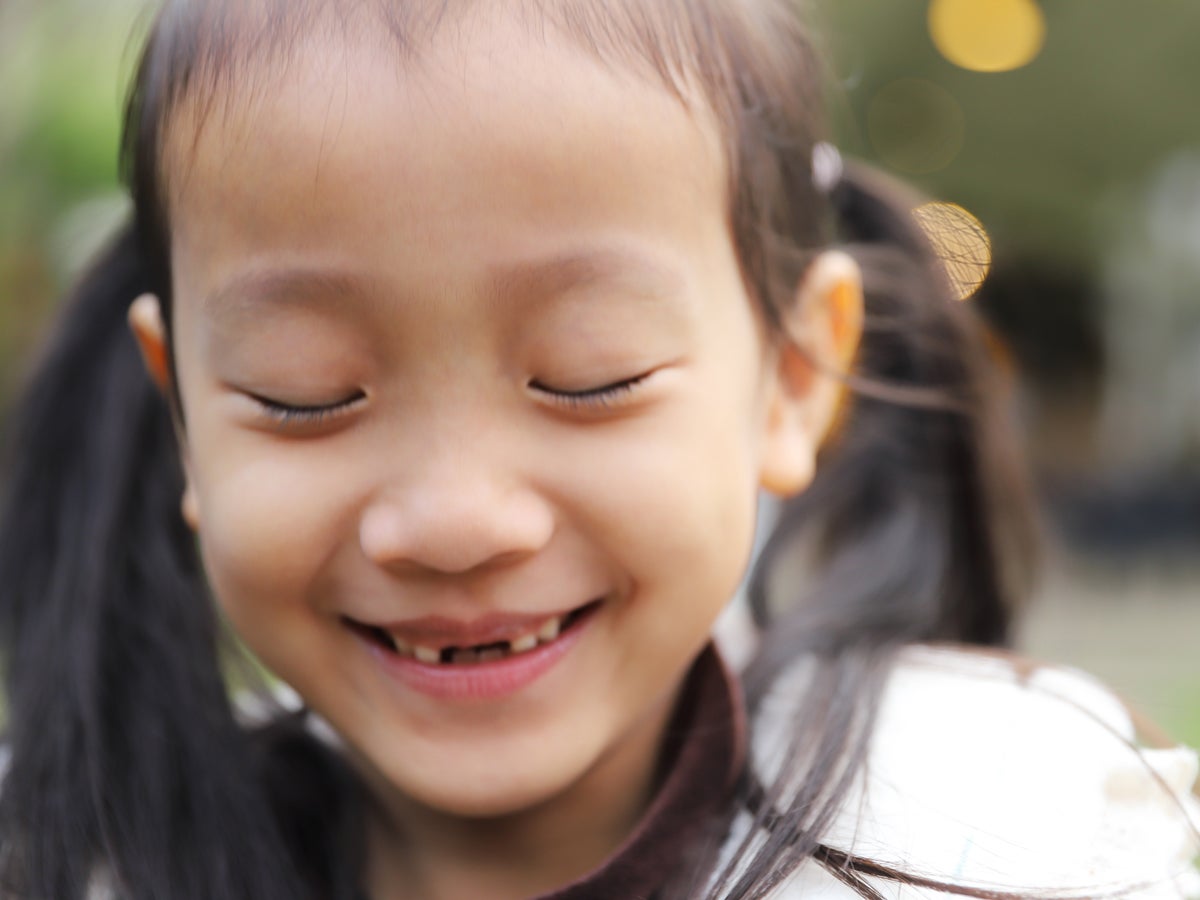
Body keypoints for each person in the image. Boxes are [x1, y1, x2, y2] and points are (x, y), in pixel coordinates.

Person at [0, 1, 1195, 898]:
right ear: (185, 420)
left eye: (590, 377)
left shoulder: (999, 838)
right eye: (303, 396)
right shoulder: (72, 858)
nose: (455, 519)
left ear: (792, 377)